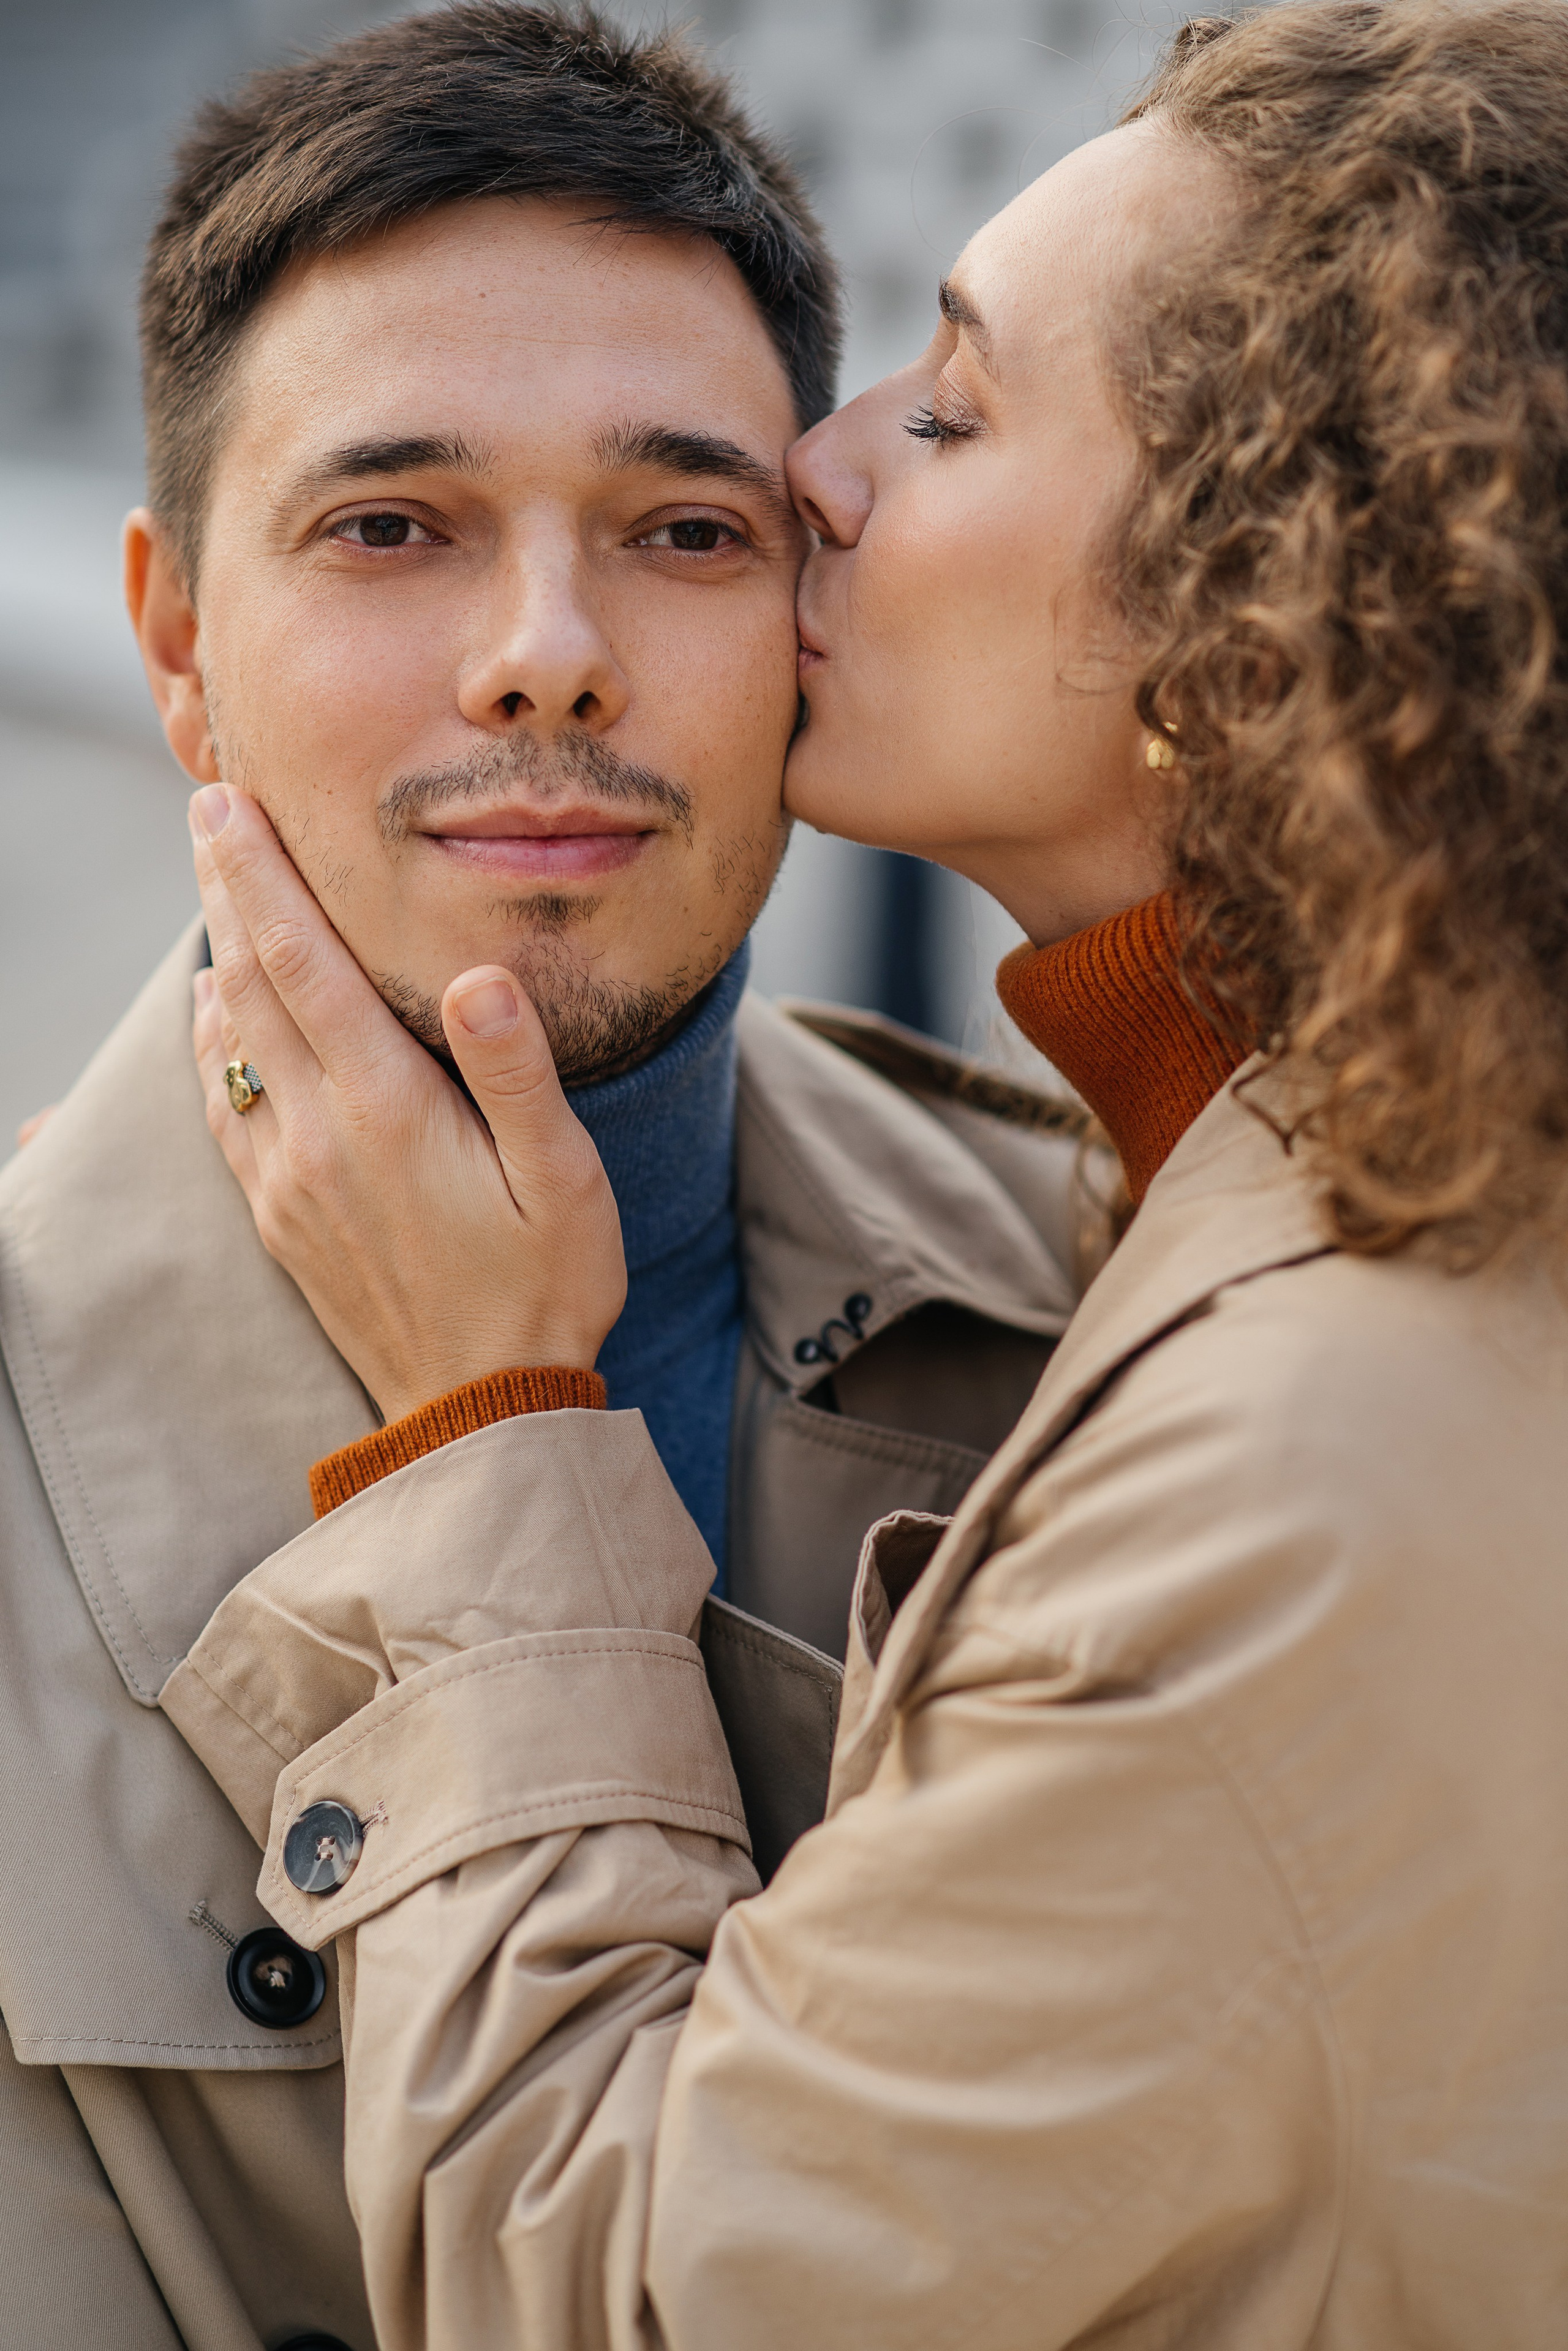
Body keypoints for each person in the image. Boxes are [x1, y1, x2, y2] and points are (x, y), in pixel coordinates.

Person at [170, 0, 1568, 2342]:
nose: (820, 467)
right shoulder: (1326, 1224)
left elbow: (646, 2308)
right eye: (392, 527)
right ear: (175, 639)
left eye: (956, 408)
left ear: (1261, 608)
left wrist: (490, 1436)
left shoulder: (1299, 1455)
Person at [0, 10, 1090, 2347]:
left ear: (810, 610)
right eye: (391, 527)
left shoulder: (1123, 1300)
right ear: (178, 642)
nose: (546, 663)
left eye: (685, 531)